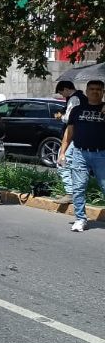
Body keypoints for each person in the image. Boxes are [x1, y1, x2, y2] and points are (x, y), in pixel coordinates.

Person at [58, 79, 105, 232]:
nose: (95, 91)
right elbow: (69, 132)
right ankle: (80, 219)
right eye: (92, 89)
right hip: (79, 153)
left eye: (99, 89)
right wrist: (63, 152)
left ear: (103, 92)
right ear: (86, 91)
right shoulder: (77, 110)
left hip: (101, 154)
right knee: (78, 188)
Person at [55, 80, 88, 205]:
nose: (62, 96)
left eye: (61, 92)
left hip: (73, 136)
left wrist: (60, 117)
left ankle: (70, 193)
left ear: (66, 89)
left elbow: (69, 118)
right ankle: (74, 192)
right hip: (81, 136)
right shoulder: (82, 98)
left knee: (62, 162)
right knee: (76, 166)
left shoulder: (74, 99)